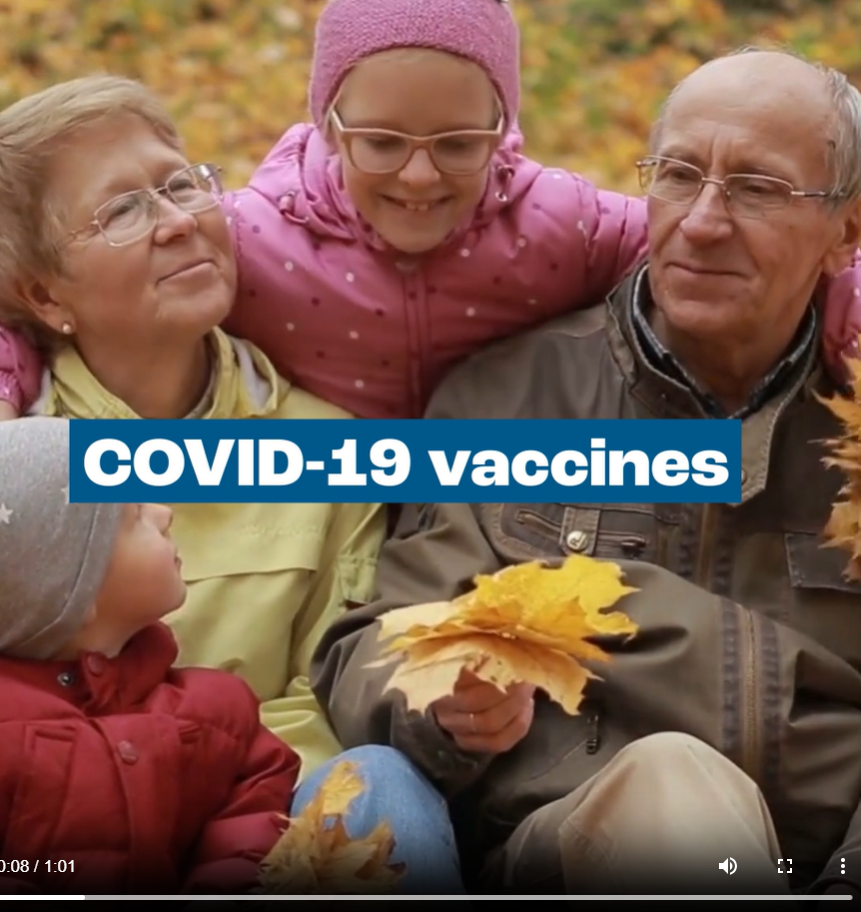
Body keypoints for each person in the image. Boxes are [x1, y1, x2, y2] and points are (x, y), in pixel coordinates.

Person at [309, 49, 861, 896]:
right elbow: (369, 645)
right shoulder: (512, 396)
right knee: (674, 782)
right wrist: (443, 705)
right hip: (562, 847)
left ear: (846, 233)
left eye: (757, 189)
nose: (704, 221)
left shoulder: (849, 421)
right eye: (678, 175)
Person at [0, 76, 463, 894]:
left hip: (272, 807)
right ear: (46, 295)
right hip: (52, 822)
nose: (180, 220)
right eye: (121, 210)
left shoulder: (330, 444)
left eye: (180, 183)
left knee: (384, 787)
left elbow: (329, 683)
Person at [0, 0, 861, 427]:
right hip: (319, 510)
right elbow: (25, 280)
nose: (420, 178)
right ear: (328, 124)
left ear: (503, 127)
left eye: (458, 145)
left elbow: (726, 240)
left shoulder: (558, 224)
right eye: (382, 142)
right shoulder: (252, 234)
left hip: (484, 506)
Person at [0, 417, 300, 896]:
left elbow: (252, 810)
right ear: (68, 592)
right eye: (134, 513)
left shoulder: (218, 711)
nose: (164, 513)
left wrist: (229, 872)